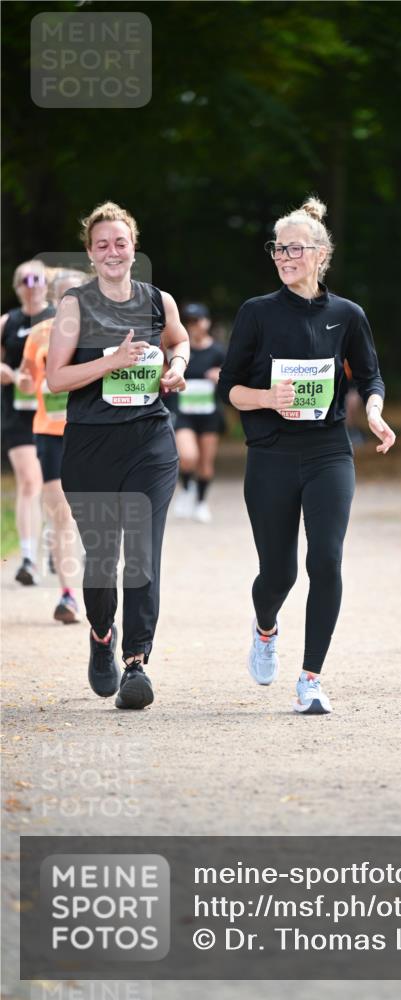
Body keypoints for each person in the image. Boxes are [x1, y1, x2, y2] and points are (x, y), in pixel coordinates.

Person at [218, 196, 396, 715]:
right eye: (278, 248)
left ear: (321, 254)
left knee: (326, 559)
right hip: (270, 453)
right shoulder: (257, 313)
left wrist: (377, 413)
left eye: (294, 248)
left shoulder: (347, 315)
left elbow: (370, 376)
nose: (283, 256)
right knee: (279, 574)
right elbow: (229, 388)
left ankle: (311, 678)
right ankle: (265, 628)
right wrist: (267, 398)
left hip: (327, 452)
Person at [47, 201, 189, 709]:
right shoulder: (74, 306)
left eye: (120, 242)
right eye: (102, 244)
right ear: (90, 253)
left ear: (133, 248)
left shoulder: (157, 301)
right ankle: (102, 633)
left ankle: (137, 664)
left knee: (143, 553)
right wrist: (111, 360)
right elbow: (56, 379)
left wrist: (176, 365)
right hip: (91, 446)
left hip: (150, 442)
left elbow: (180, 341)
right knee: (104, 561)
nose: (112, 251)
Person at [17, 268, 89, 623]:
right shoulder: (40, 335)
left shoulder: (103, 332)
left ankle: (99, 586)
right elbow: (28, 384)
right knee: (61, 515)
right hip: (50, 432)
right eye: (66, 297)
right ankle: (68, 595)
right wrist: (27, 381)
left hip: (95, 432)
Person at [1, 259, 55, 585]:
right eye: (25, 279)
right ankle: (28, 558)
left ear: (46, 283)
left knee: (55, 489)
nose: (31, 284)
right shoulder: (9, 322)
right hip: (18, 415)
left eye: (37, 278)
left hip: (54, 414)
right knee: (29, 481)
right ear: (17, 285)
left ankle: (53, 544)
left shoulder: (61, 319)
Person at [172, 302, 226, 523]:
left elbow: (233, 379)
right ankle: (187, 489)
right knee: (187, 456)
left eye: (197, 320)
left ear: (207, 322)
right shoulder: (181, 349)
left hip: (209, 413)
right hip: (184, 411)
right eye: (189, 321)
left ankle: (201, 503)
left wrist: (221, 375)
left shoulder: (218, 351)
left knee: (205, 463)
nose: (193, 325)